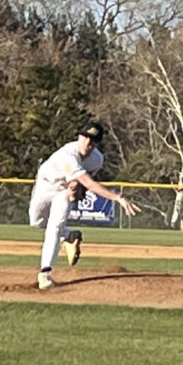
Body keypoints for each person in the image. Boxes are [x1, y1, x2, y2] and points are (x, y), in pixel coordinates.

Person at [28, 122, 141, 290]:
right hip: (46, 186)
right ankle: (69, 236)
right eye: (85, 137)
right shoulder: (69, 154)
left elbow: (84, 183)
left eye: (92, 140)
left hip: (63, 192)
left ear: (97, 143)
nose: (87, 142)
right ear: (79, 136)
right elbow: (90, 183)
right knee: (36, 222)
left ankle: (45, 273)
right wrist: (117, 197)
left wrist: (76, 189)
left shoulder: (97, 159)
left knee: (54, 227)